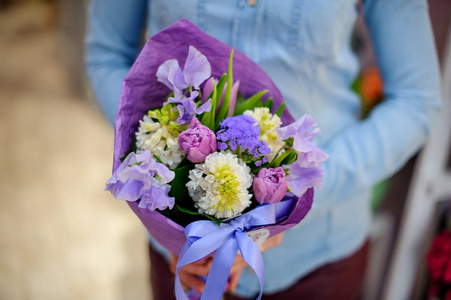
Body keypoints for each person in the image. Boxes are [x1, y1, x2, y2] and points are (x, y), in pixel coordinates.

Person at [86, 0, 441, 299]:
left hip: (319, 257)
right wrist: (170, 214)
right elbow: (108, 54)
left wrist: (290, 201)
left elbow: (416, 101)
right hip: (185, 257)